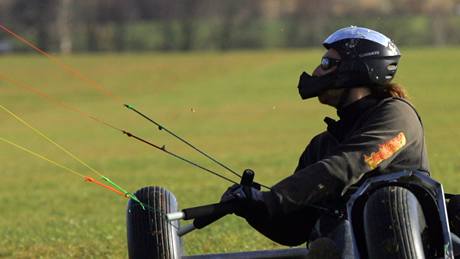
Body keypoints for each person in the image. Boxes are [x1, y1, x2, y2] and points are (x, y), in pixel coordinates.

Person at [220, 26, 430, 254]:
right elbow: (294, 229)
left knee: (370, 212)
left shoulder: (397, 115)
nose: (317, 72)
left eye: (327, 63)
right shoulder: (321, 145)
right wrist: (254, 208)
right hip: (346, 244)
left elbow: (349, 164)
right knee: (330, 236)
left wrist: (274, 199)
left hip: (402, 241)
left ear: (356, 69)